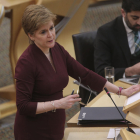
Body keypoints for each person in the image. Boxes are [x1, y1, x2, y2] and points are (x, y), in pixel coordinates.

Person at [14, 4, 140, 140]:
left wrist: (120, 91)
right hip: (33, 131)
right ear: (31, 36)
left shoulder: (57, 49)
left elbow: (85, 74)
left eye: (51, 28)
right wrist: (57, 104)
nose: (50, 35)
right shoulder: (26, 62)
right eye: (43, 32)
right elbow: (23, 106)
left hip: (55, 124)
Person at [94, 0, 140, 81]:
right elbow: (101, 71)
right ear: (123, 13)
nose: (139, 22)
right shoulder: (106, 32)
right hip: (120, 85)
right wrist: (130, 71)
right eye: (135, 18)